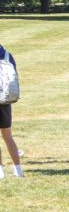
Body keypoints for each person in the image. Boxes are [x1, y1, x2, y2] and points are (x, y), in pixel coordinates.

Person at [0, 43, 24, 179]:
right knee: (8, 136)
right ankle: (18, 170)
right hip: (5, 99)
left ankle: (0, 171)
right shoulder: (8, 55)